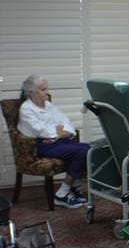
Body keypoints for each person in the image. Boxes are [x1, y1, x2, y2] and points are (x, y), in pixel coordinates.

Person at [17, 75, 91, 209]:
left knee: (89, 148)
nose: (47, 93)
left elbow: (66, 122)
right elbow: (40, 131)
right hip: (39, 146)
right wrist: (56, 132)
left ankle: (73, 189)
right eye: (43, 89)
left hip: (57, 142)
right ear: (31, 92)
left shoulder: (48, 105)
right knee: (83, 152)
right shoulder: (26, 109)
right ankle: (62, 194)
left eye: (46, 89)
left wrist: (61, 132)